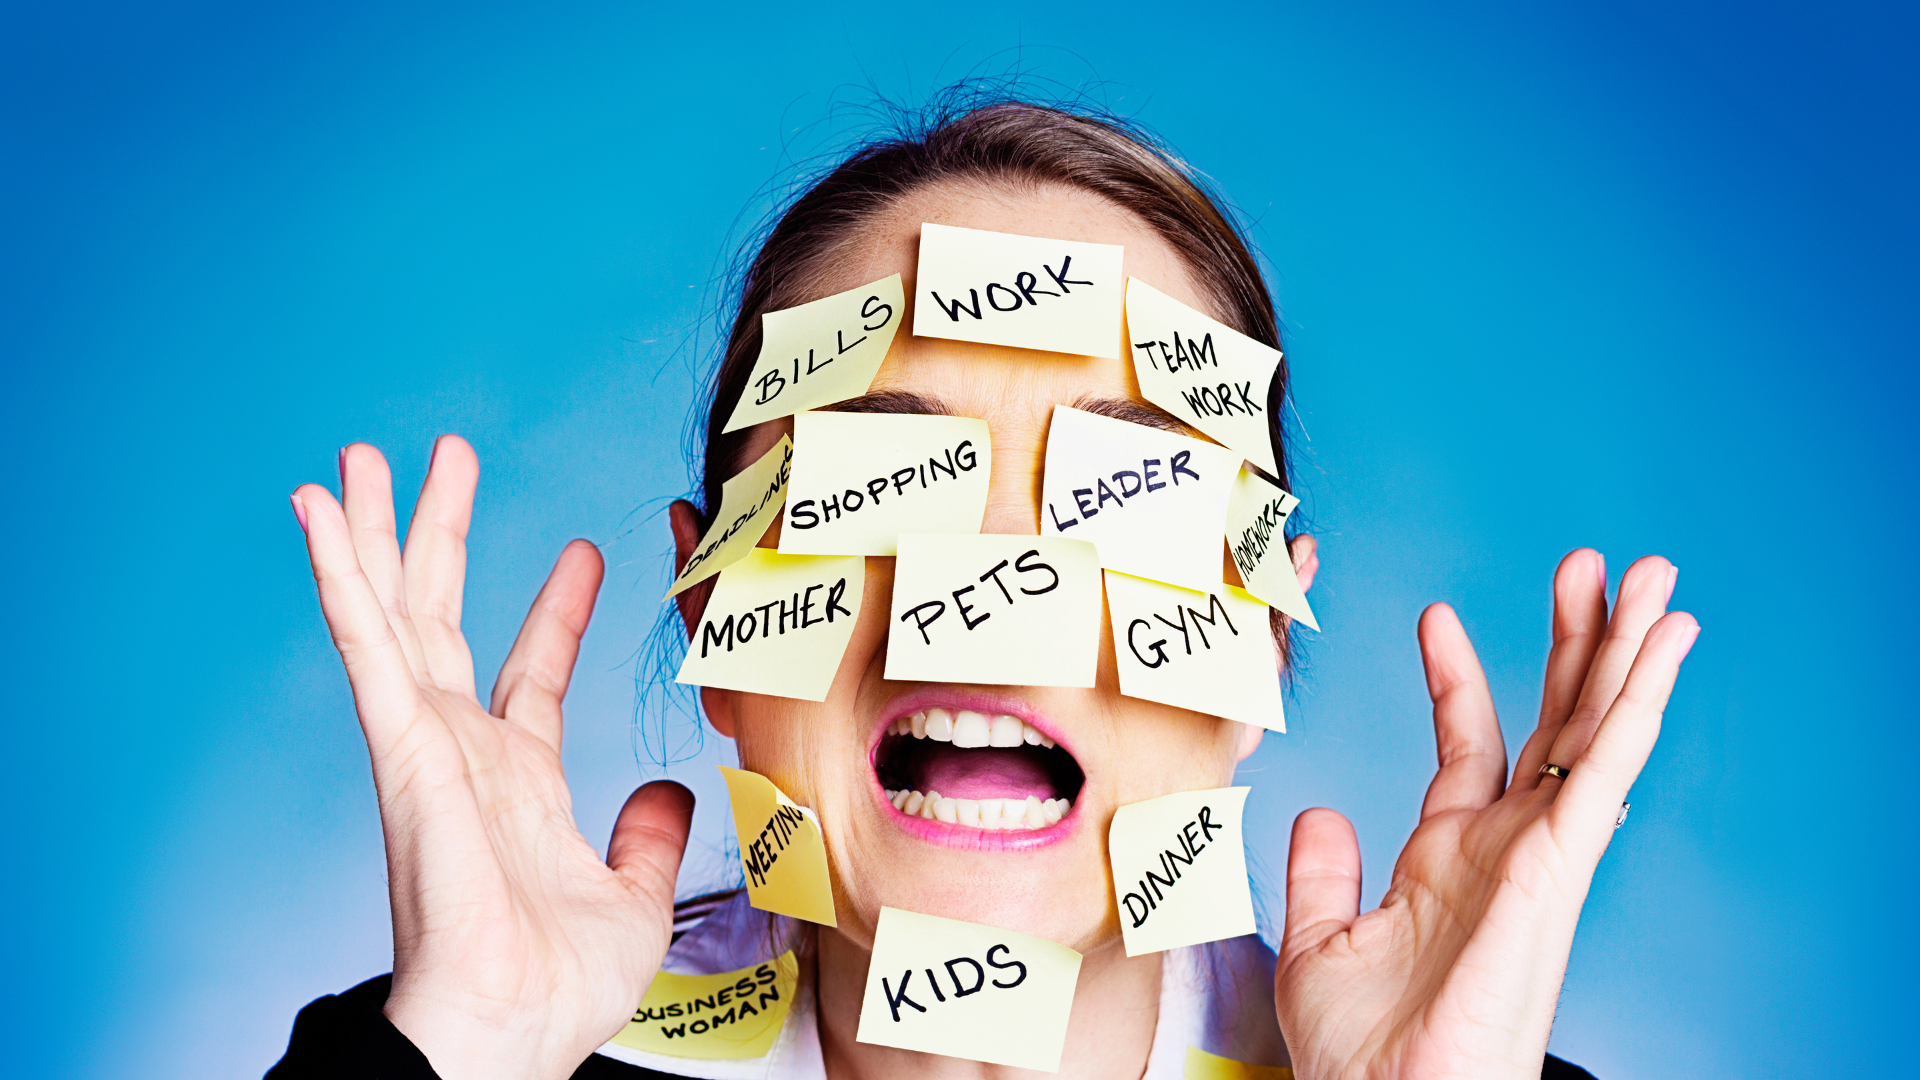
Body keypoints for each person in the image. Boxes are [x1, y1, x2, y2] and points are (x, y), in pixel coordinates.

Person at [270, 99, 1696, 1080]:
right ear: (715, 629)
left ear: (1255, 650)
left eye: (1130, 494)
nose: (992, 591)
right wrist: (451, 1052)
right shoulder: (481, 1053)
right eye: (874, 486)